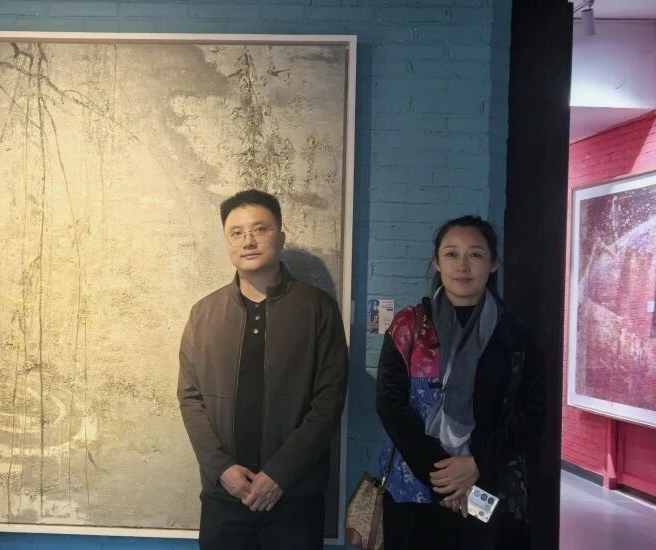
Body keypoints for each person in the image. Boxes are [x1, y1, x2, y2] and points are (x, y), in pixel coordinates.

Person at [178, 189, 349, 549]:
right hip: (225, 495)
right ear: (226, 242)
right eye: (237, 233)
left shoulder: (318, 309)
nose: (248, 241)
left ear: (280, 237)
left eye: (260, 229)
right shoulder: (203, 313)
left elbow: (329, 399)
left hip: (294, 496)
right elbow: (190, 399)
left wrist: (280, 474)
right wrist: (222, 469)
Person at [374, 215, 544, 549]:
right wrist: (446, 480)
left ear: (493, 263)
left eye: (475, 254)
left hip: (486, 487)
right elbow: (390, 405)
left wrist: (477, 465)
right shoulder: (409, 326)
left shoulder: (515, 335)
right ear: (436, 261)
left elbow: (532, 413)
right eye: (451, 254)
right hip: (414, 490)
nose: (462, 266)